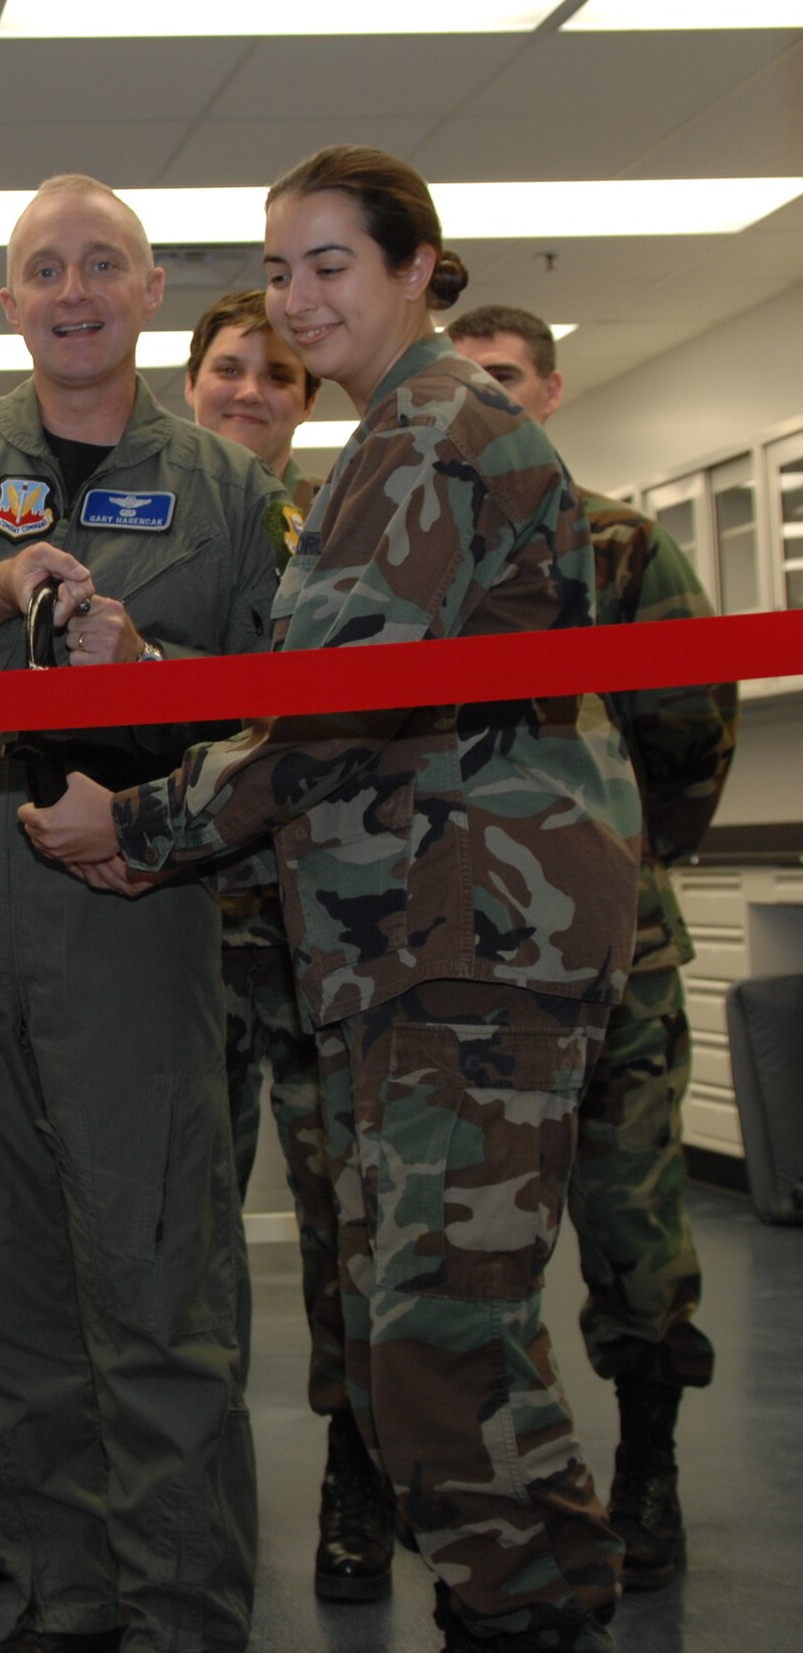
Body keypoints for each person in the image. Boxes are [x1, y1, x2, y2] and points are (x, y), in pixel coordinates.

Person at [21, 146, 642, 1653]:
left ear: (418, 267)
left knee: (439, 1338)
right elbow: (333, 690)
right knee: (421, 1331)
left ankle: (537, 1613)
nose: (300, 298)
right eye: (280, 267)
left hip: (468, 944)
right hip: (417, 940)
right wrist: (151, 683)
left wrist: (144, 822)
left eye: (332, 265)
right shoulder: (389, 443)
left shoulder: (427, 435)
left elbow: (337, 721)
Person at [0, 174, 293, 1653]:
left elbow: (287, 705)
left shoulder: (222, 490)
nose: (73, 288)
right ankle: (69, 1591)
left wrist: (147, 654)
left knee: (159, 1281)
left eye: (103, 263)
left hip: (135, 910)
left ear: (151, 292)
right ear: (8, 303)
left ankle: (183, 1603)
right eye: (43, 267)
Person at [449, 302, 737, 1590]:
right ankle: (509, 1489)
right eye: (462, 382)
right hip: (465, 953)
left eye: (504, 378)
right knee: (476, 1230)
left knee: (631, 1217)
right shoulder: (424, 546)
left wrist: (619, 863)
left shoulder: (615, 540)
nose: (486, 399)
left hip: (615, 948)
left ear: (549, 391)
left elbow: (688, 722)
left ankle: (649, 1464)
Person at [186, 289, 399, 1603]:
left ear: (304, 395)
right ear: (191, 382)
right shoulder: (144, 525)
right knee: (182, 1223)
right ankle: (189, 1492)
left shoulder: (343, 526)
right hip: (181, 933)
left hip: (326, 935)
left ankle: (357, 1486)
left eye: (273, 371)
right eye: (225, 369)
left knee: (346, 1227)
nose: (248, 390)